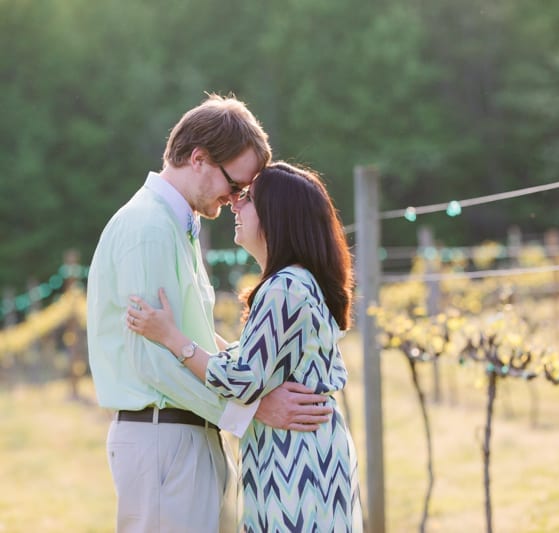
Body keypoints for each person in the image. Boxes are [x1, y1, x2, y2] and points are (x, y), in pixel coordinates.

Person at [86, 95, 333, 533]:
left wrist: (251, 376)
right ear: (198, 159)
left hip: (191, 434)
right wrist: (253, 408)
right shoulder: (148, 229)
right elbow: (153, 362)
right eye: (235, 184)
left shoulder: (177, 227)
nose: (236, 198)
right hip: (165, 438)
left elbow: (188, 336)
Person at [127, 161, 363, 532]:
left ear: (277, 215)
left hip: (295, 463)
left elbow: (241, 379)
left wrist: (171, 337)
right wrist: (188, 332)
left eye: (248, 198)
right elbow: (248, 359)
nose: (235, 204)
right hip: (302, 453)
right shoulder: (297, 283)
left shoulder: (284, 288)